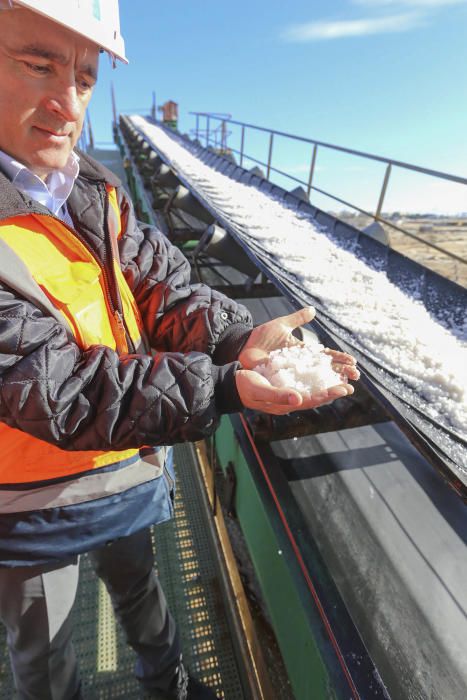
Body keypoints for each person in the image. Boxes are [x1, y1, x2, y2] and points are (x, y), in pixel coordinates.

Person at [0, 2, 359, 699]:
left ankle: (168, 689)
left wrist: (237, 337)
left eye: (84, 75)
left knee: (144, 599)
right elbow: (61, 387)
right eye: (36, 63)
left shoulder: (95, 190)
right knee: (45, 653)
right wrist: (223, 387)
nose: (66, 102)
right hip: (30, 501)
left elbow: (163, 287)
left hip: (127, 469)